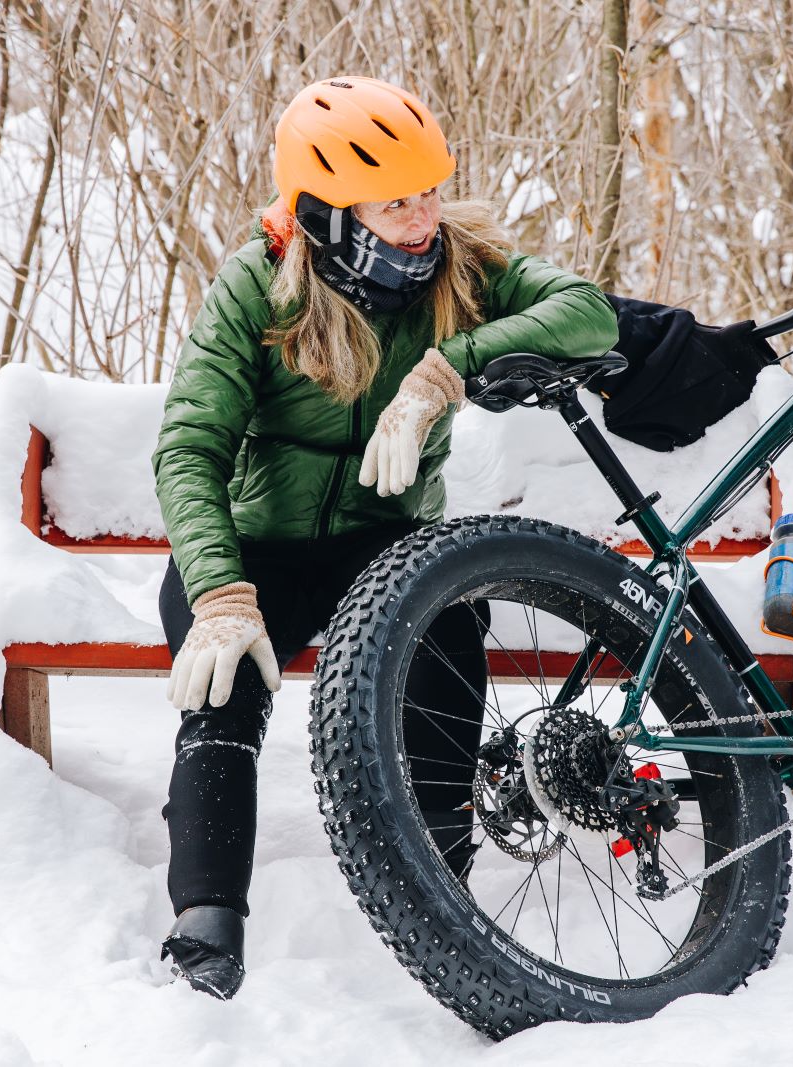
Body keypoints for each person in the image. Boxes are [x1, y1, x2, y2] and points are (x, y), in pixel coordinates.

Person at [150, 75, 618, 1000]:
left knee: (449, 643)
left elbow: (590, 311)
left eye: (430, 191)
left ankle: (443, 896)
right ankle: (206, 919)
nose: (422, 218)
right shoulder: (260, 284)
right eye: (395, 200)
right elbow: (188, 445)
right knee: (224, 689)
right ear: (325, 211)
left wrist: (445, 369)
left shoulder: (460, 264)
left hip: (388, 540)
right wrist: (217, 589)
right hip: (257, 550)